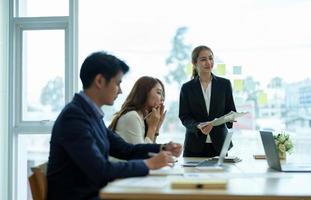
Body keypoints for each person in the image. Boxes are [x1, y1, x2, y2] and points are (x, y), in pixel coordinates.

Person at [47, 51, 182, 200]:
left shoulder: (91, 115)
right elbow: (100, 170)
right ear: (99, 81)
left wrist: (162, 148)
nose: (120, 90)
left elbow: (126, 150)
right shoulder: (74, 117)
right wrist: (149, 164)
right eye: (117, 83)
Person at [179, 45, 236, 157]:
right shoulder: (187, 88)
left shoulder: (224, 84)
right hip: (194, 145)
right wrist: (198, 126)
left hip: (219, 145)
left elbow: (231, 112)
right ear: (195, 63)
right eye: (203, 59)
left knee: (221, 174)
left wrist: (222, 120)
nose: (208, 62)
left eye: (210, 58)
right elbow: (184, 116)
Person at [109, 76, 166, 144]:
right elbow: (143, 153)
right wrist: (152, 128)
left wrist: (156, 128)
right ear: (144, 93)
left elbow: (152, 151)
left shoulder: (142, 117)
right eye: (159, 93)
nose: (162, 98)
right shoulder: (132, 116)